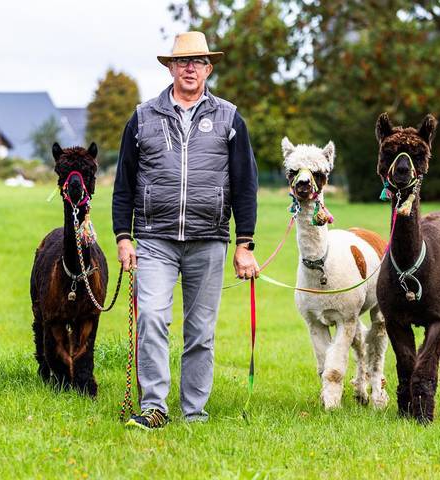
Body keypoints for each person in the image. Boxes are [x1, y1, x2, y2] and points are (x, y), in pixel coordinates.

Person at [112, 31, 259, 430]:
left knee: (200, 332)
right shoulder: (143, 117)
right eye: (182, 61)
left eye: (197, 62)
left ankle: (194, 411)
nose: (189, 68)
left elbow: (245, 184)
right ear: (171, 68)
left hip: (208, 239)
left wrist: (244, 243)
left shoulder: (229, 118)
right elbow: (124, 183)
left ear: (208, 69)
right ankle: (154, 407)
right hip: (154, 239)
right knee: (152, 319)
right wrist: (123, 237)